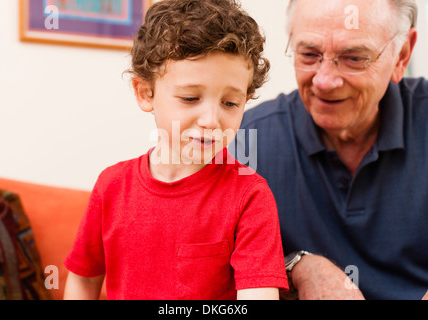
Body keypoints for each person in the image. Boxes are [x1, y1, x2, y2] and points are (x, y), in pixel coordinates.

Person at [63, 0, 289, 300]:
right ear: (146, 93)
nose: (211, 120)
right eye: (190, 98)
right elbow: (83, 281)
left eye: (230, 103)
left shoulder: (250, 197)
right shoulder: (112, 186)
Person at [231, 0, 428, 300]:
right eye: (309, 54)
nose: (324, 81)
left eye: (353, 58)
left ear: (401, 56)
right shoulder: (243, 143)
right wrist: (297, 265)